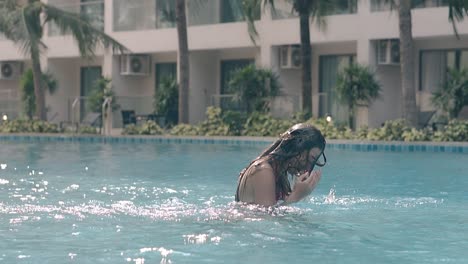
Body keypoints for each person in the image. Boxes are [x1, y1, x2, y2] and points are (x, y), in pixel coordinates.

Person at [235, 123, 327, 207]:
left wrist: (301, 191)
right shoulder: (263, 171)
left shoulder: (279, 174)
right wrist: (296, 195)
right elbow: (266, 218)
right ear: (298, 148)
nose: (308, 167)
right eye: (311, 159)